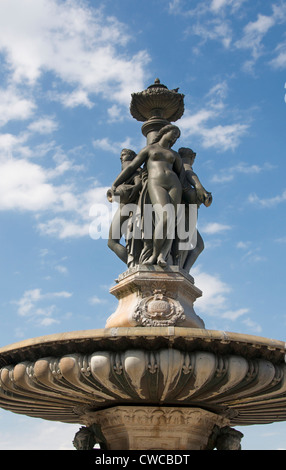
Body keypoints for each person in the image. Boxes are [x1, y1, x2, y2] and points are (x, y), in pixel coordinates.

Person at [110, 124, 183, 267]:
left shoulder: (174, 154)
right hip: (156, 183)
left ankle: (163, 254)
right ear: (164, 132)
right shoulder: (150, 149)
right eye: (173, 132)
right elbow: (131, 167)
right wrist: (115, 184)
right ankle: (155, 254)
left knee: (171, 220)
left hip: (175, 185)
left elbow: (182, 174)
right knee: (165, 216)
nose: (175, 136)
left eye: (177, 135)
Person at [177, 147, 212, 271]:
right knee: (196, 245)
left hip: (183, 212)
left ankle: (183, 271)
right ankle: (182, 270)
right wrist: (202, 190)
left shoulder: (177, 169)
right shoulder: (186, 167)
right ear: (193, 157)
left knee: (193, 245)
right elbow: (200, 191)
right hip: (185, 213)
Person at [107, 149, 142, 264]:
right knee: (111, 242)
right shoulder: (130, 169)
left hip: (127, 207)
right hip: (124, 206)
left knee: (112, 241)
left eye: (124, 155)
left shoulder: (133, 168)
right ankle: (133, 264)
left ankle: (133, 264)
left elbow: (138, 183)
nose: (121, 157)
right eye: (121, 155)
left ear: (132, 156)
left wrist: (133, 189)